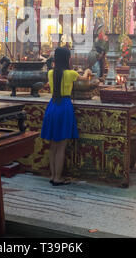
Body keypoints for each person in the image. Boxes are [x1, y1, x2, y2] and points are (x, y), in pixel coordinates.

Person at [41, 47, 91, 186]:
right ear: (68, 59)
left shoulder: (51, 73)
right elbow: (84, 78)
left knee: (53, 146)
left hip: (52, 106)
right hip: (64, 107)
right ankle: (58, 178)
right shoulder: (71, 73)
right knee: (61, 146)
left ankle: (52, 175)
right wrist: (87, 71)